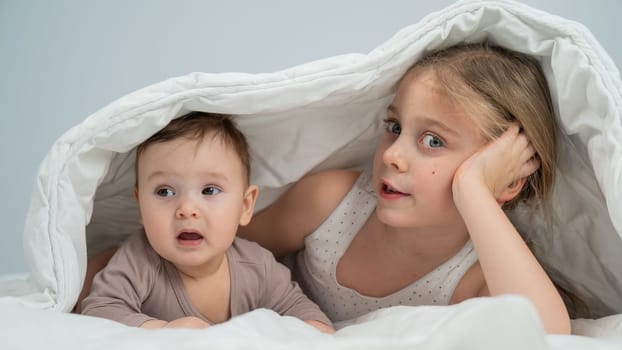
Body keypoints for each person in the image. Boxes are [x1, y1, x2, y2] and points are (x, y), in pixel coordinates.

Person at [237, 42, 571, 334]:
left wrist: (473, 189)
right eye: (394, 127)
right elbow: (230, 247)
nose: (392, 155)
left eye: (433, 140)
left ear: (505, 179)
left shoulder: (474, 275)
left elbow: (548, 334)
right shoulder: (329, 203)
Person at [80, 112, 334, 332]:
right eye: (164, 192)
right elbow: (99, 311)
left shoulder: (257, 267)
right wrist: (161, 330)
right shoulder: (138, 261)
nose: (187, 209)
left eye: (210, 190)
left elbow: (303, 312)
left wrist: (312, 332)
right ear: (141, 206)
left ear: (245, 206)